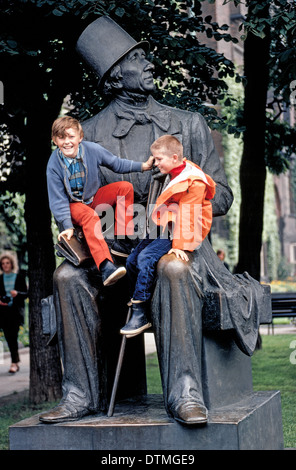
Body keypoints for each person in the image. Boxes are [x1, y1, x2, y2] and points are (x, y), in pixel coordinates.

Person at [40, 17, 263, 425]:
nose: (149, 64)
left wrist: (188, 198)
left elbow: (225, 195)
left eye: (145, 55)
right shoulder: (86, 134)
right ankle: (79, 395)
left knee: (172, 267)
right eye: (137, 58)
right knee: (67, 277)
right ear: (113, 78)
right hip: (117, 251)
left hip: (179, 246)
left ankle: (184, 393)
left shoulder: (189, 123)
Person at [121, 135, 215, 343]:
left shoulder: (193, 181)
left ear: (174, 157)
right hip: (167, 225)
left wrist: (180, 245)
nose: (155, 163)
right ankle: (145, 297)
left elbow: (189, 216)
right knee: (131, 260)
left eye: (158, 159)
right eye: (154, 159)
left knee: (146, 258)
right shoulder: (176, 170)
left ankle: (141, 311)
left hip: (180, 232)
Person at [47, 115, 154, 286]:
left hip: (92, 199)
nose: (67, 142)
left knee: (124, 188)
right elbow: (57, 199)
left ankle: (123, 241)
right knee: (89, 216)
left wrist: (143, 166)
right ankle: (105, 266)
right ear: (54, 140)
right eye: (61, 137)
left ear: (80, 137)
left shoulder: (92, 150)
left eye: (71, 137)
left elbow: (117, 164)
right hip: (73, 205)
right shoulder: (54, 164)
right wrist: (67, 225)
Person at [0, 252, 28, 373]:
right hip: (3, 312)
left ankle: (14, 363)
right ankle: (15, 362)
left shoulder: (19, 278)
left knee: (14, 336)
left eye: (7, 263)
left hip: (15, 312)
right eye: (3, 263)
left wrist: (17, 294)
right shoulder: (0, 279)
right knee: (8, 337)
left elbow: (26, 294)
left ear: (12, 264)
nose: (5, 265)